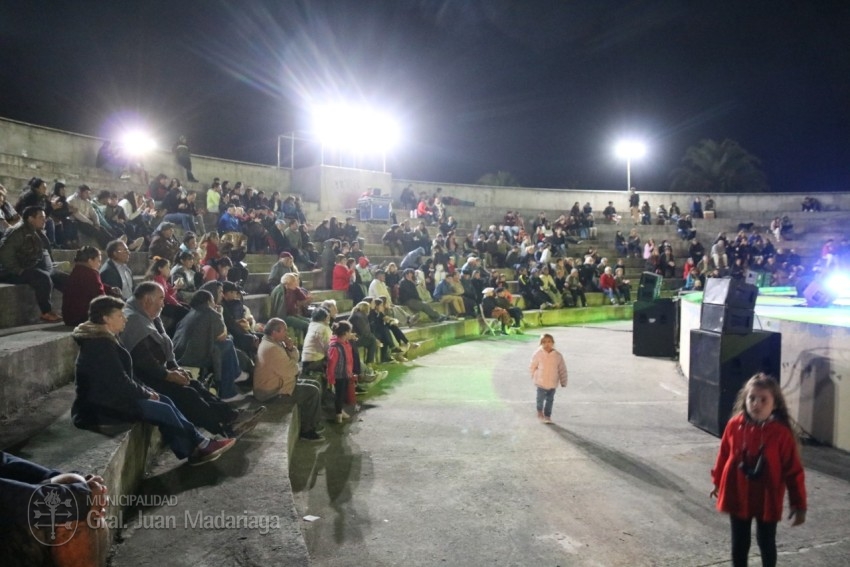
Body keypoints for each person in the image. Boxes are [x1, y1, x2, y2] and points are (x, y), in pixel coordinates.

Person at [72, 296, 236, 465]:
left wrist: (148, 392)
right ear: (106, 319)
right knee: (163, 409)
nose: (125, 318)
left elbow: (127, 375)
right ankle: (200, 446)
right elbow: (120, 382)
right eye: (120, 315)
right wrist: (145, 393)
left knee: (165, 399)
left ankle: (196, 447)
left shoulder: (107, 338)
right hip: (99, 407)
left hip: (111, 398)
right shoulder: (100, 345)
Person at [120, 282, 259, 438]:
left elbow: (164, 346)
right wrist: (168, 374)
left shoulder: (148, 316)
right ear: (147, 300)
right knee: (187, 394)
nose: (163, 303)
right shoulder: (133, 320)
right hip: (145, 377)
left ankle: (231, 416)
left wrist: (174, 367)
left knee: (194, 384)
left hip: (160, 370)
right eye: (160, 298)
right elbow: (143, 360)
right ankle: (222, 426)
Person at [710, 373, 807, 567]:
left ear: (775, 404)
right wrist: (717, 481)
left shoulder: (780, 434)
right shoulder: (734, 426)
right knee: (739, 543)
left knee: (766, 542)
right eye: (752, 398)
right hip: (737, 493)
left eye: (763, 399)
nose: (756, 404)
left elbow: (793, 470)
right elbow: (724, 455)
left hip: (766, 497)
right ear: (744, 400)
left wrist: (799, 503)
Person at [254, 318, 324, 442]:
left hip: (280, 383)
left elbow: (294, 362)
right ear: (275, 332)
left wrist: (291, 348)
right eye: (284, 331)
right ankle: (307, 431)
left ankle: (313, 423)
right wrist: (296, 367)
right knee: (311, 392)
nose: (287, 334)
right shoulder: (271, 348)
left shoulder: (275, 343)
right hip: (272, 393)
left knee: (314, 383)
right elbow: (292, 370)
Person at [173, 290, 245, 403]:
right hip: (194, 358)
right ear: (208, 301)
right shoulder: (210, 312)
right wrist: (220, 314)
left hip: (178, 356)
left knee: (223, 346)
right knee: (227, 344)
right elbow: (222, 335)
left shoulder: (191, 312)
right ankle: (229, 390)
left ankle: (235, 376)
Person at [0, 206, 68, 322]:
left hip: (35, 267)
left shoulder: (37, 231)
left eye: (45, 217)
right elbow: (5, 255)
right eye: (41, 217)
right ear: (30, 218)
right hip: (13, 270)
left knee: (66, 279)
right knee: (42, 278)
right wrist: (20, 271)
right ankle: (46, 312)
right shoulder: (17, 232)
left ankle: (71, 309)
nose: (44, 220)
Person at [62, 246, 118, 326]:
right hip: (82, 318)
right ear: (90, 261)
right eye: (98, 261)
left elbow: (96, 286)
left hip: (70, 317)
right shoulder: (91, 274)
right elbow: (100, 297)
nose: (100, 264)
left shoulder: (77, 270)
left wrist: (110, 289)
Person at [529, 334, 568, 424]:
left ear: (553, 343)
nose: (547, 344)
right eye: (544, 342)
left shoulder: (557, 356)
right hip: (540, 382)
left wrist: (563, 381)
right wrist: (533, 375)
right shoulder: (538, 354)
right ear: (541, 344)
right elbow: (532, 366)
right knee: (540, 399)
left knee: (550, 400)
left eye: (549, 342)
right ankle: (539, 410)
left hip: (552, 383)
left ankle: (547, 416)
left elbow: (562, 369)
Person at [327, 320, 356, 424]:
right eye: (349, 332)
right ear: (345, 333)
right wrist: (331, 378)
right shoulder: (335, 347)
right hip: (339, 376)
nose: (350, 334)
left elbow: (349, 359)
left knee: (342, 394)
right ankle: (338, 414)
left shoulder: (345, 343)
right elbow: (331, 364)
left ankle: (340, 411)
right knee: (339, 395)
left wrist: (350, 372)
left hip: (346, 374)